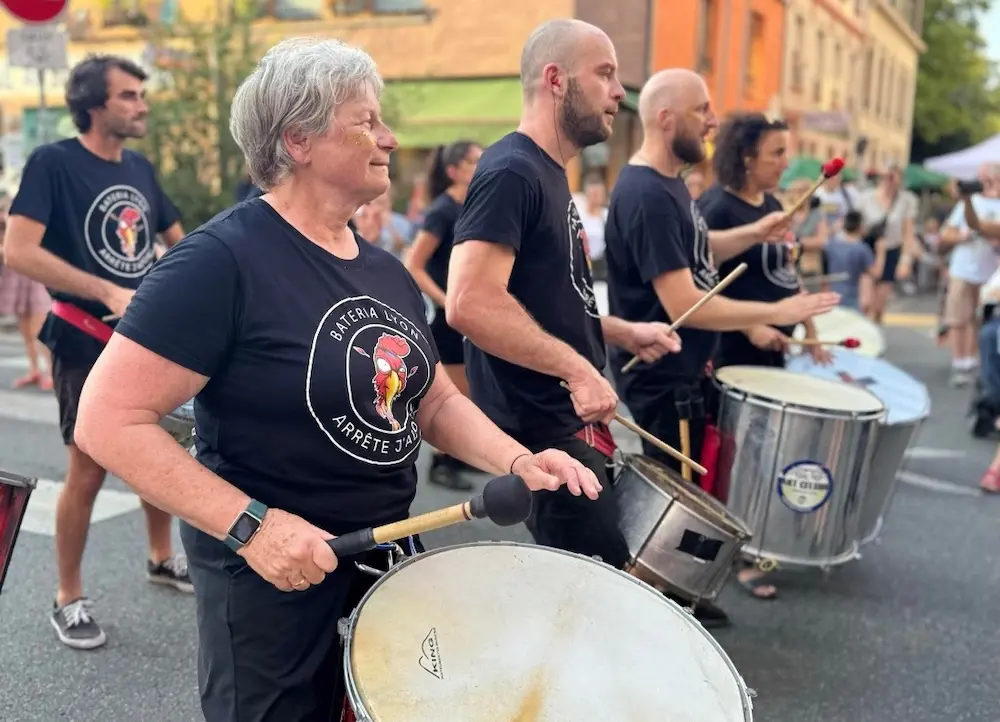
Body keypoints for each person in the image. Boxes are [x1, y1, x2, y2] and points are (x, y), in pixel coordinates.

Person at [72, 38, 602, 722]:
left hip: (384, 560)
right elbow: (107, 420)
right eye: (365, 121)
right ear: (298, 140)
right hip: (269, 571)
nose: (389, 137)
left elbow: (434, 399)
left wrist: (518, 459)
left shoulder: (381, 268)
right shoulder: (219, 261)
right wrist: (253, 528)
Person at [447, 19, 681, 599]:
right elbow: (470, 302)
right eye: (604, 74)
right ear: (555, 80)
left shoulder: (548, 173)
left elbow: (547, 304)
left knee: (587, 597)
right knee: (596, 599)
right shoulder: (510, 170)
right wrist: (578, 369)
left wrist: (620, 331)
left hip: (567, 423)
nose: (619, 92)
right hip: (544, 433)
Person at [603, 69, 838, 616]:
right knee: (670, 509)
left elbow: (701, 249)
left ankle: (678, 596)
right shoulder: (648, 194)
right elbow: (687, 299)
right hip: (662, 374)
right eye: (702, 110)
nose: (713, 121)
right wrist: (777, 311)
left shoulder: (670, 186)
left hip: (685, 370)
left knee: (688, 497)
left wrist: (752, 234)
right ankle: (633, 616)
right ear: (666, 119)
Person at [2, 54, 187, 650]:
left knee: (154, 452)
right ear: (94, 104)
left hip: (143, 338)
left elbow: (178, 244)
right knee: (86, 468)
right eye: (129, 95)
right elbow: (18, 250)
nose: (142, 105)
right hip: (83, 336)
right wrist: (106, 288)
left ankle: (161, 558)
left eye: (141, 94)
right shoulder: (53, 163)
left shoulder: (139, 167)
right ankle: (68, 596)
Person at [698, 112, 832, 370]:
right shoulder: (716, 208)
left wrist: (809, 328)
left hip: (775, 348)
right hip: (732, 353)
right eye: (777, 153)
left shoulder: (773, 204)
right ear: (748, 157)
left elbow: (786, 269)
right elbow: (700, 287)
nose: (785, 163)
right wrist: (750, 328)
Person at [403, 140, 483, 490]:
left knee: (469, 391)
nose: (480, 166)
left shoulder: (472, 206)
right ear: (453, 170)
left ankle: (457, 457)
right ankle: (439, 463)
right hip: (445, 316)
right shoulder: (442, 210)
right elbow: (414, 265)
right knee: (450, 396)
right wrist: (447, 299)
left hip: (466, 313)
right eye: (472, 161)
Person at [938, 163, 1000, 387]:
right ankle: (960, 361)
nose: (984, 181)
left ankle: (972, 360)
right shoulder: (970, 202)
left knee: (981, 319)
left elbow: (984, 227)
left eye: (990, 177)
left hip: (991, 273)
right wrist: (966, 201)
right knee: (958, 317)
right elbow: (949, 232)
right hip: (963, 268)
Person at [0, 194, 53, 391]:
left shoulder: (38, 223)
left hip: (35, 277)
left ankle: (50, 372)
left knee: (39, 329)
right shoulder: (5, 227)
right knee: (25, 329)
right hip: (15, 276)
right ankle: (34, 370)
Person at [856, 162, 920, 324]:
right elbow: (855, 226)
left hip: (891, 249)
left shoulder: (906, 200)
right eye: (884, 176)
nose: (888, 181)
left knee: (879, 303)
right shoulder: (866, 197)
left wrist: (906, 260)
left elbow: (908, 232)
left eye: (892, 177)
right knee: (865, 302)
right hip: (868, 249)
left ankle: (875, 329)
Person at [824, 210, 886, 312]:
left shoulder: (831, 245)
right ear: (860, 227)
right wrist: (881, 253)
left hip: (832, 295)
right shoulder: (862, 249)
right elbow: (876, 273)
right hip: (852, 297)